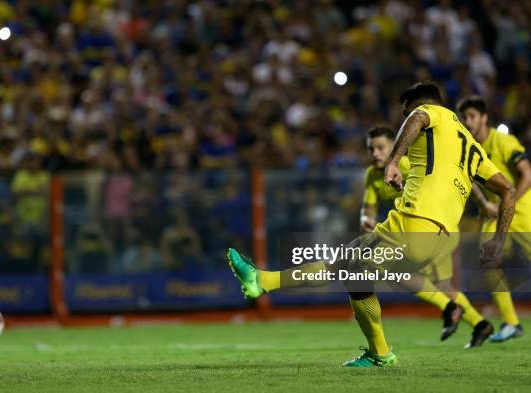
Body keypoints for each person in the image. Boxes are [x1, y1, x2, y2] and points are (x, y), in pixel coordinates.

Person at [225, 81, 517, 367]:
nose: (405, 119)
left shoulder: (437, 113)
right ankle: (381, 351)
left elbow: (418, 116)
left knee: (348, 263)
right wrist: (498, 240)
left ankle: (262, 281)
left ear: (424, 103)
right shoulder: (473, 148)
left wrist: (393, 160)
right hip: (438, 239)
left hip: (414, 223)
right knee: (354, 273)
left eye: (406, 112)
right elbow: (508, 190)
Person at [361, 125, 493, 347]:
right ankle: (480, 324)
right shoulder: (372, 175)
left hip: (436, 231)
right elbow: (368, 207)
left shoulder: (408, 163)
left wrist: (481, 202)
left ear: (393, 147)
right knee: (442, 287)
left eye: (381, 148)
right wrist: (366, 219)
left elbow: (459, 177)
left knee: (396, 272)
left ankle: (449, 309)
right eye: (371, 149)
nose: (376, 154)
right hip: (419, 235)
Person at [457, 95, 530, 342]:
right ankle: (511, 322)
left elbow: (527, 175)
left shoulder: (503, 141)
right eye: (464, 117)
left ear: (484, 117)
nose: (468, 122)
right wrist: (484, 204)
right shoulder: (468, 148)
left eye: (472, 116)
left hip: (523, 210)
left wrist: (507, 203)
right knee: (488, 259)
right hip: (496, 215)